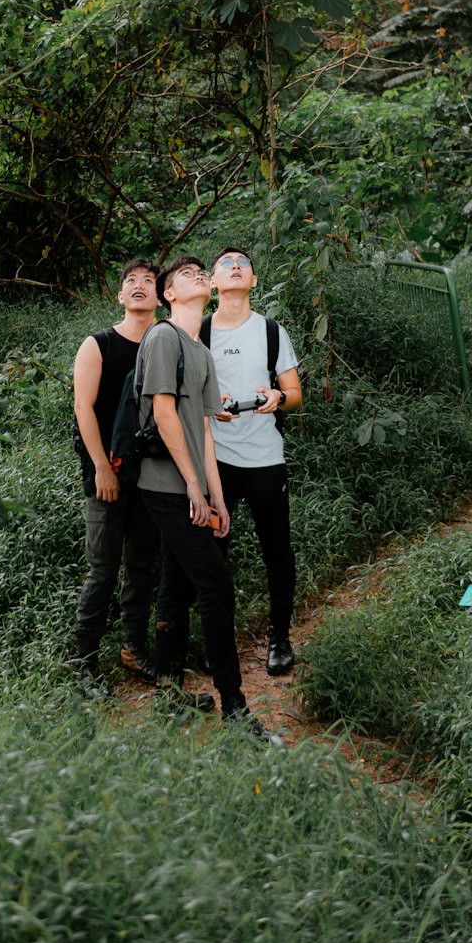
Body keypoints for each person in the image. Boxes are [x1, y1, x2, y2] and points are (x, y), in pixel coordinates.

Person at [137, 255, 270, 736]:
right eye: (186, 276)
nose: (198, 277)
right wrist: (193, 485)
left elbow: (207, 431)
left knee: (177, 586)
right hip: (165, 486)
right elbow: (165, 413)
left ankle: (169, 692)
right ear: (169, 294)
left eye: (200, 274)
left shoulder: (199, 350)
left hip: (192, 488)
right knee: (216, 586)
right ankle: (234, 705)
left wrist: (216, 496)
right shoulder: (163, 337)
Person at [203, 245, 302, 676]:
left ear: (254, 281)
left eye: (243, 263)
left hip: (265, 458)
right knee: (212, 555)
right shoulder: (199, 333)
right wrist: (211, 405)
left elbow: (295, 394)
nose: (236, 267)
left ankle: (279, 639)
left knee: (276, 552)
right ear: (212, 283)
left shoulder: (272, 332)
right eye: (226, 263)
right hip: (216, 461)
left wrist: (279, 397)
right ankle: (215, 642)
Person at [72, 258, 161, 698]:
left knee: (141, 568)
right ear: (121, 295)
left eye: (149, 281)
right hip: (107, 476)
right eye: (132, 281)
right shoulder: (99, 344)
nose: (140, 286)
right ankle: (85, 664)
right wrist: (101, 468)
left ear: (160, 295)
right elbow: (83, 409)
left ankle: (133, 649)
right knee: (103, 571)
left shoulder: (166, 344)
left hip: (152, 478)